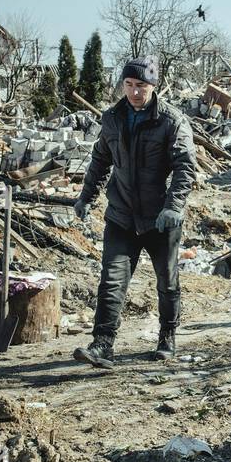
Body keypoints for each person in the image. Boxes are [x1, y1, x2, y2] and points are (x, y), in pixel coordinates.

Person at [72, 57, 196, 366]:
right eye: (128, 85)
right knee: (112, 280)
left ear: (153, 87)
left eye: (140, 86)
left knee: (167, 281)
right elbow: (100, 160)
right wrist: (86, 197)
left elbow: (185, 166)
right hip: (121, 216)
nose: (134, 92)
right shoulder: (113, 118)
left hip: (160, 219)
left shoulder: (171, 120)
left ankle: (167, 336)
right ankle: (102, 343)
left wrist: (173, 206)